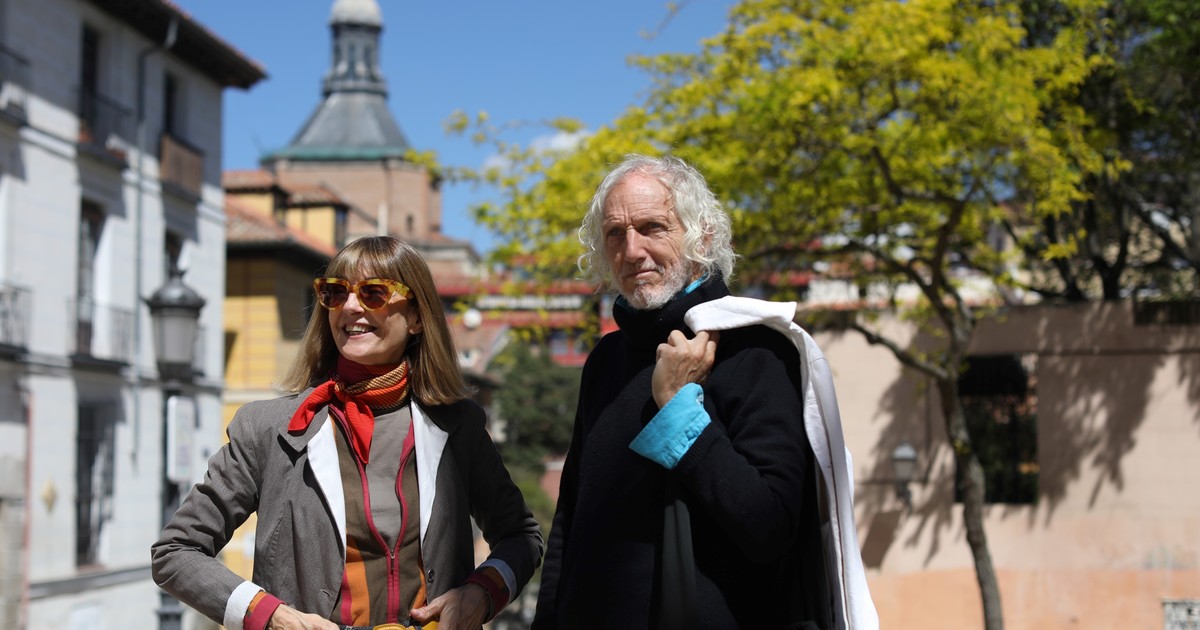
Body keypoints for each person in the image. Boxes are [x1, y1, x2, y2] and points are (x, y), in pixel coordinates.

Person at [532, 155, 877, 629]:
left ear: (704, 237)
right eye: (615, 233)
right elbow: (572, 521)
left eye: (652, 228)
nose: (632, 250)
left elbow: (770, 526)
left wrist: (679, 412)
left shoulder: (757, 351)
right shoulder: (606, 361)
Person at [152, 236, 543, 630]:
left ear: (416, 317)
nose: (350, 306)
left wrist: (481, 593)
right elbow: (176, 551)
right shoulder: (266, 429)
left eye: (373, 293)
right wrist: (272, 616)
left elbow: (521, 536)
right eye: (335, 293)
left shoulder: (459, 425)